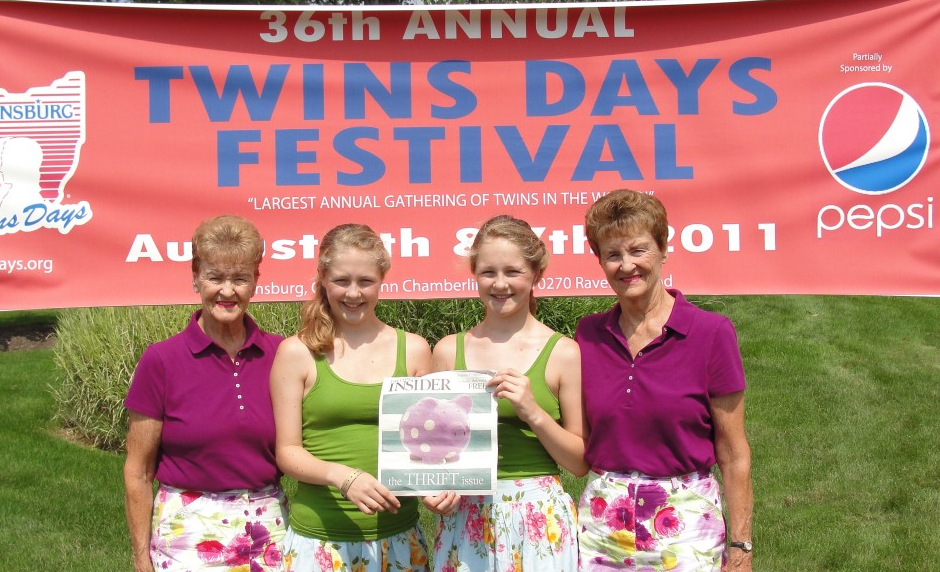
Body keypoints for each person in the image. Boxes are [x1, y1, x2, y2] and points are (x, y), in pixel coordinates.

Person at [576, 189, 753, 572]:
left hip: (687, 523)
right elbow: (578, 437)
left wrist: (740, 546)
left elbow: (734, 454)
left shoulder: (711, 332)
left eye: (638, 250)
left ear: (662, 249)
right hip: (601, 525)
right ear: (599, 261)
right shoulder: (587, 335)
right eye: (613, 254)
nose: (627, 265)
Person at [123, 215, 287, 572]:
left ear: (256, 281)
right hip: (187, 536)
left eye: (240, 278)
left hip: (269, 531)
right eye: (215, 277)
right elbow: (137, 471)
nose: (227, 291)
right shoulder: (161, 360)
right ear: (196, 275)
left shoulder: (281, 354)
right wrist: (140, 558)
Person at [425, 214, 588, 572]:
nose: (500, 284)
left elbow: (579, 462)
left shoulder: (563, 353)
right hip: (466, 518)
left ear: (536, 274)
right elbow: (435, 453)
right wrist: (434, 493)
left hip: (538, 515)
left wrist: (533, 412)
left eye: (513, 272)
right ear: (475, 274)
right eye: (488, 272)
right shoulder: (449, 351)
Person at [270, 223, 433, 572]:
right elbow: (287, 452)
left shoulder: (415, 350)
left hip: (399, 537)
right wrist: (343, 477)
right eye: (342, 281)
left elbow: (429, 444)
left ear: (382, 279)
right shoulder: (296, 353)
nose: (354, 293)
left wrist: (438, 487)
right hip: (320, 540)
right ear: (323, 279)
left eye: (366, 281)